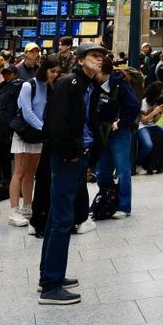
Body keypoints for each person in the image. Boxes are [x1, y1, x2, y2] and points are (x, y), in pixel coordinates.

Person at [37, 43, 106, 305]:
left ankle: (49, 276)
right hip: (69, 158)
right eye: (94, 56)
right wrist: (70, 152)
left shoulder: (89, 85)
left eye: (101, 57)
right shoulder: (70, 84)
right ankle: (51, 286)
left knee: (58, 214)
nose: (99, 61)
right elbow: (55, 122)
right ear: (79, 60)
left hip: (79, 156)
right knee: (63, 219)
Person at [9, 58, 59, 228]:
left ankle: (27, 206)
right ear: (45, 69)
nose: (55, 75)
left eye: (57, 72)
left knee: (32, 172)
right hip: (25, 133)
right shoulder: (28, 85)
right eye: (52, 71)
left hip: (38, 135)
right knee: (19, 172)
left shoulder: (49, 87)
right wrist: (44, 128)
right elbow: (26, 111)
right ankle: (14, 210)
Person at [93, 57, 140, 219]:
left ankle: (124, 205)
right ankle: (107, 199)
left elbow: (134, 106)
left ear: (102, 71)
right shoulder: (96, 85)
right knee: (102, 170)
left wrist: (120, 122)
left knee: (122, 169)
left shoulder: (120, 84)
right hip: (102, 131)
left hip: (119, 131)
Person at [137, 82, 163, 171]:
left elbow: (155, 121)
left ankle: (162, 162)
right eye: (160, 93)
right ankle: (138, 163)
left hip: (152, 125)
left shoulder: (158, 102)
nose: (161, 95)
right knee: (148, 145)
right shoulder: (144, 102)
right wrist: (155, 111)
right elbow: (144, 120)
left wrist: (160, 112)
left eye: (162, 93)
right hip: (142, 126)